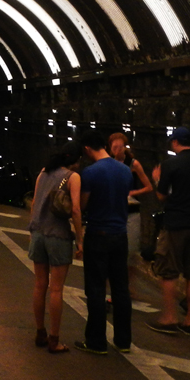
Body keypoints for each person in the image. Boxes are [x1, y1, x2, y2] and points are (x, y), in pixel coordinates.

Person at [149, 126, 190, 336]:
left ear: (176, 142)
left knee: (169, 271)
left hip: (176, 224)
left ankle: (170, 318)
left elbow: (161, 196)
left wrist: (156, 179)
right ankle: (189, 321)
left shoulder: (170, 165)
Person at [75, 129, 134, 355]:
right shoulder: (125, 170)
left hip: (98, 234)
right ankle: (123, 340)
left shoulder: (90, 172)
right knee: (121, 288)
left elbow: (83, 204)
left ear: (87, 149)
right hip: (120, 235)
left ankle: (96, 341)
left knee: (96, 288)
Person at [28, 146, 84, 353]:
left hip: (38, 233)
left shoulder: (43, 172)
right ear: (75, 161)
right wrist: (80, 240)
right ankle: (54, 339)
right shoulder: (73, 177)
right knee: (56, 289)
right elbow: (75, 210)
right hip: (58, 236)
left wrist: (32, 229)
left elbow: (34, 202)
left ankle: (40, 332)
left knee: (39, 285)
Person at [108, 132, 154, 200]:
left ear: (124, 147)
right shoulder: (108, 162)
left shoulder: (133, 163)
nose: (117, 151)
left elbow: (149, 187)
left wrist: (132, 193)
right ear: (110, 147)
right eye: (115, 147)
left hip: (129, 201)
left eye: (120, 147)